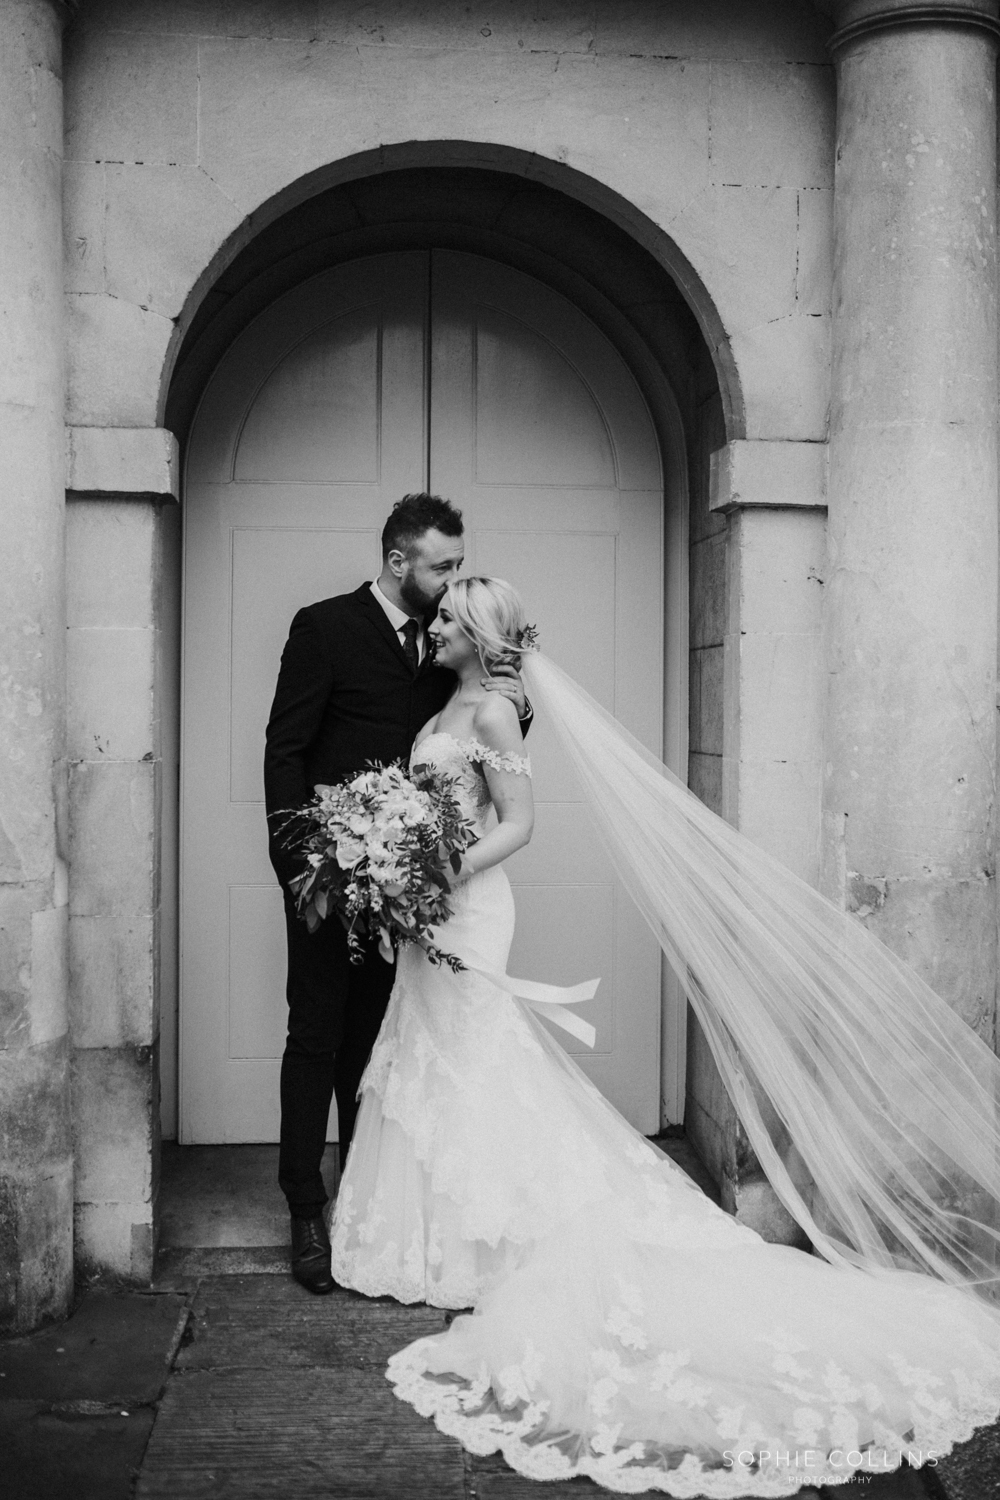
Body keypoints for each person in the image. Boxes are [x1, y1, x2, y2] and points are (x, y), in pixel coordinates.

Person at [329, 576, 1000, 1496]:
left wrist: (442, 871)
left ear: (478, 634)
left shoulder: (495, 714)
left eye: (446, 617)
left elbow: (517, 826)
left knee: (477, 1050)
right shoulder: (447, 699)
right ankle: (432, 1236)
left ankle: (495, 1231)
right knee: (428, 1046)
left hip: (471, 907)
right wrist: (400, 864)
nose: (432, 623)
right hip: (431, 913)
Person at [263, 498, 530, 1295]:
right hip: (328, 877)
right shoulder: (325, 627)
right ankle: (304, 1210)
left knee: (377, 1048)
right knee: (314, 1034)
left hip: (416, 895)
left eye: (456, 569)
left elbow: (488, 759)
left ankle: (363, 1201)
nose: (449, 581)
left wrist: (511, 698)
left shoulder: (449, 657)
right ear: (396, 560)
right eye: (440, 566)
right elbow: (286, 750)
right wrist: (299, 868)